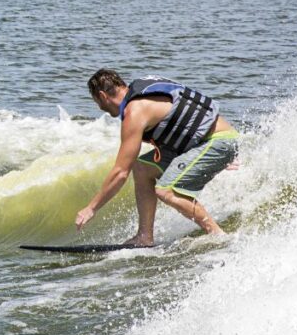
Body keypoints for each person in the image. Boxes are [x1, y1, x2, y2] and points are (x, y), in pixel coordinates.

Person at [75, 68, 239, 246]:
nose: (101, 109)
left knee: (166, 190)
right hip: (208, 142)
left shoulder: (134, 112)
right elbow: (181, 119)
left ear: (103, 96)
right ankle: (145, 237)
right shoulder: (143, 91)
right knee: (142, 167)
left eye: (97, 102)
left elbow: (121, 172)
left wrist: (91, 208)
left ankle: (219, 236)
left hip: (216, 142)